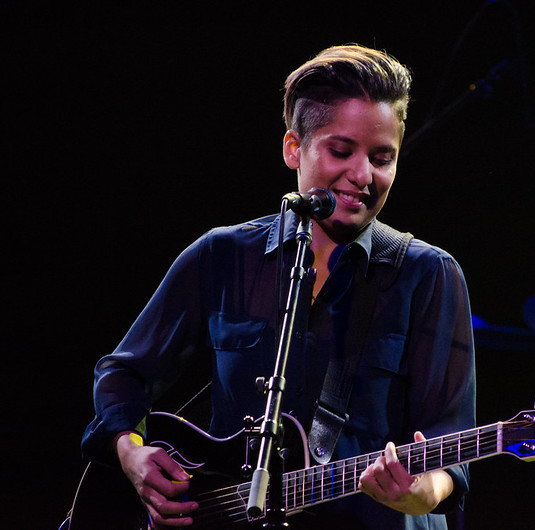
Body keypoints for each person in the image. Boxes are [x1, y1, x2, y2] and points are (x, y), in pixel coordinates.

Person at [81, 44, 476, 529]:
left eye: (382, 157)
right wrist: (132, 455)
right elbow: (123, 374)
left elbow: (451, 442)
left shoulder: (428, 274)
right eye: (341, 151)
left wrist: (423, 492)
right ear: (294, 148)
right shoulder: (223, 255)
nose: (362, 175)